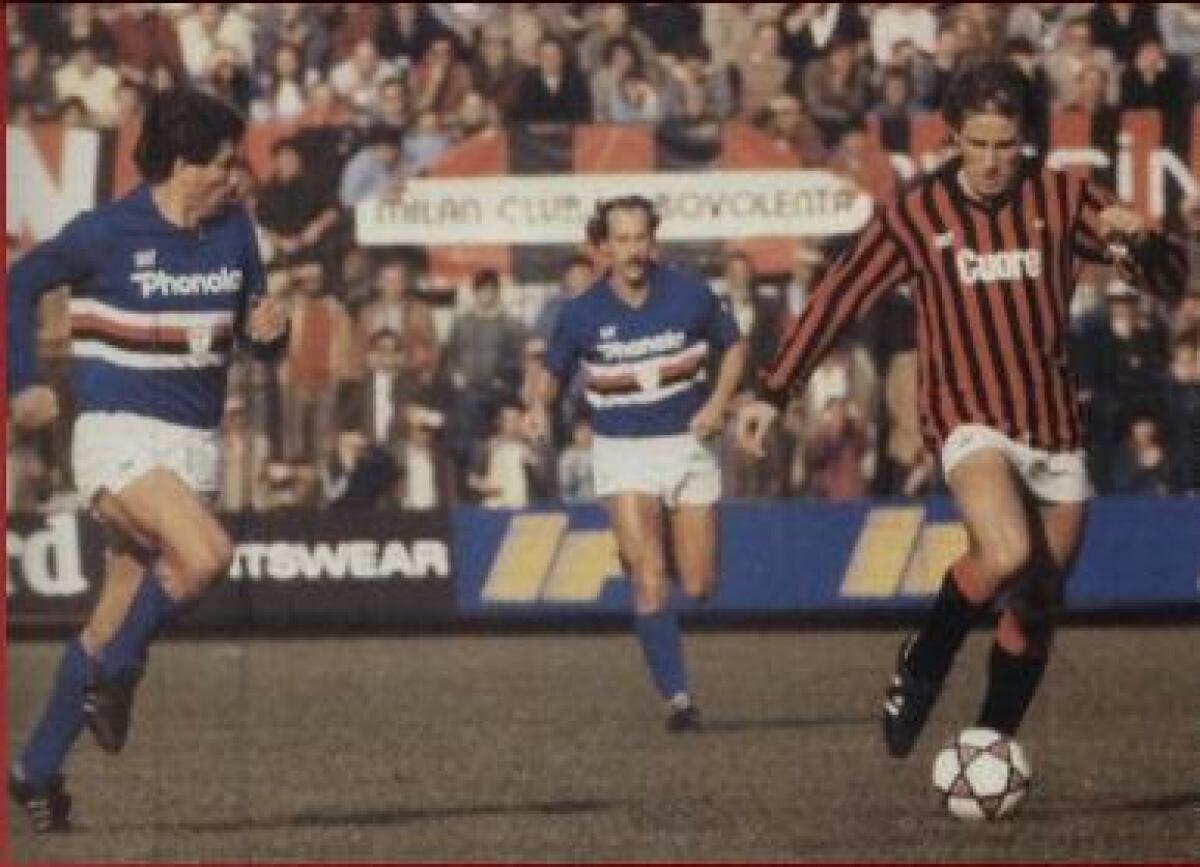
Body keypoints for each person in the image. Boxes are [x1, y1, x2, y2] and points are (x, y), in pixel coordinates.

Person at [734, 59, 1185, 758]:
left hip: (1052, 421)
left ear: (1024, 137)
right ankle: (924, 662)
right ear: (952, 138)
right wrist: (772, 390)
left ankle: (988, 746)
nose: (993, 160)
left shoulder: (1062, 196)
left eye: (1006, 144)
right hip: (966, 412)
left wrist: (1143, 243)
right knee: (1005, 551)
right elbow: (840, 296)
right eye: (978, 144)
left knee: (1038, 606)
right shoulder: (918, 214)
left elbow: (1171, 282)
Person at [7, 87, 289, 831]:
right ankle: (120, 676)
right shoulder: (105, 232)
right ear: (182, 164)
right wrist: (23, 382)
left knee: (112, 617)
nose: (237, 176)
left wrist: (271, 335)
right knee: (207, 555)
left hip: (194, 446)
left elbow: (255, 334)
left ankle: (34, 771)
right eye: (225, 163)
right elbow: (17, 282)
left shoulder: (237, 232)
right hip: (118, 434)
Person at [529, 195, 748, 731]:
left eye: (639, 238)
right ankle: (678, 700)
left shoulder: (690, 293)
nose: (631, 251)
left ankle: (650, 546)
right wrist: (537, 408)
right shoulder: (581, 312)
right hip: (622, 449)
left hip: (688, 445)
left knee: (698, 585)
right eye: (620, 240)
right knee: (648, 582)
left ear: (653, 241)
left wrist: (719, 403)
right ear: (602, 247)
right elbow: (552, 374)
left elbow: (735, 347)